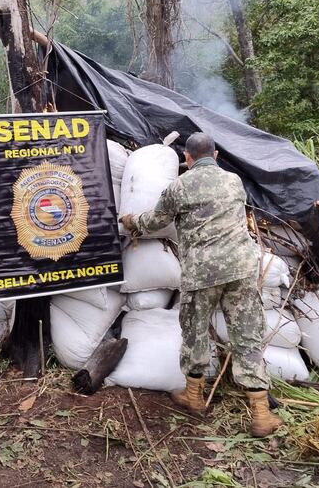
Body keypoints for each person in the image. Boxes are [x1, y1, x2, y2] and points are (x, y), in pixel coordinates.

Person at [119, 132, 283, 437]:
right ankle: (261, 414)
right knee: (247, 336)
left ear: (187, 159)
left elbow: (155, 222)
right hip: (241, 269)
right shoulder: (234, 181)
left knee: (195, 333)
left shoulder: (178, 187)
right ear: (216, 155)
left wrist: (131, 221)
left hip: (202, 273)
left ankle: (194, 397)